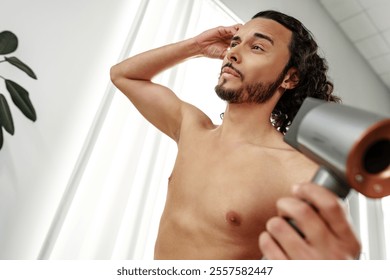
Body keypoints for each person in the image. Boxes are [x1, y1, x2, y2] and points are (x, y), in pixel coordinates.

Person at [110, 10, 361, 260]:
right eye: (234, 42)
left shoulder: (298, 171)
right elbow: (123, 75)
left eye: (257, 47)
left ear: (289, 77)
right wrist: (197, 46)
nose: (232, 53)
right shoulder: (192, 129)